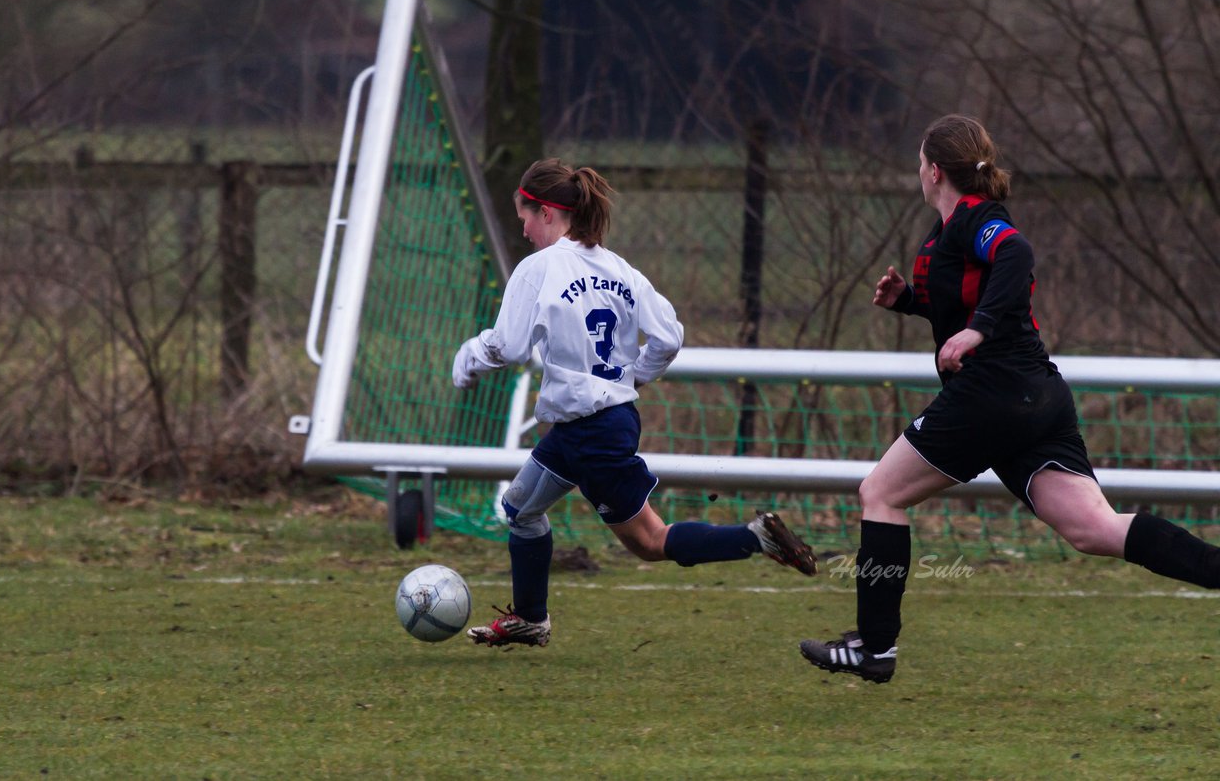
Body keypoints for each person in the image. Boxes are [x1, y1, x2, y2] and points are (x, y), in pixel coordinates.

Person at [798, 114, 1220, 684]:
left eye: (920, 163)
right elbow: (969, 297)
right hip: (1034, 397)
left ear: (936, 170)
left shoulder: (979, 219)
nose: (917, 173)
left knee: (880, 493)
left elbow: (1016, 257)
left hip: (994, 393)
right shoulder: (948, 228)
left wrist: (977, 332)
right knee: (1093, 528)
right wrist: (910, 302)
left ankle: (875, 649)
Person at [452, 157, 817, 647]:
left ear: (545, 213)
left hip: (590, 432)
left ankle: (756, 537)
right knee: (520, 509)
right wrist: (630, 378)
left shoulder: (538, 268)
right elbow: (668, 336)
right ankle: (531, 619)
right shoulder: (619, 268)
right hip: (599, 422)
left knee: (649, 542)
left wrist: (472, 354)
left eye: (523, 219)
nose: (523, 232)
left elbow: (511, 346)